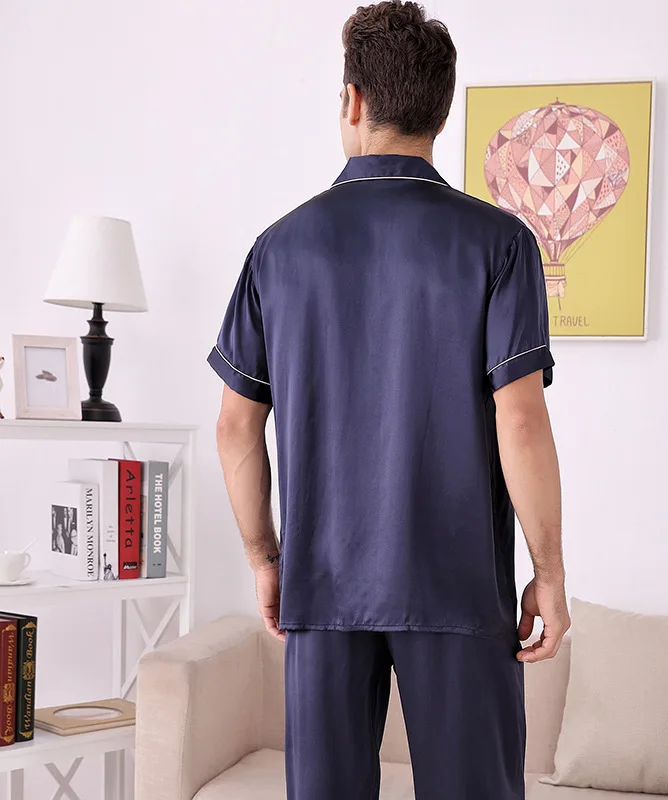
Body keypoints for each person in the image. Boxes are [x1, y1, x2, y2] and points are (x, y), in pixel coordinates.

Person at [209, 3, 569, 798]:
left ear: (353, 101)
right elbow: (519, 418)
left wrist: (265, 559)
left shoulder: (279, 249)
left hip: (324, 584)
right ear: (441, 110)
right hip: (459, 586)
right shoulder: (501, 243)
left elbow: (236, 426)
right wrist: (548, 571)